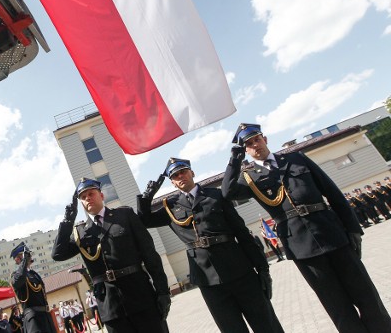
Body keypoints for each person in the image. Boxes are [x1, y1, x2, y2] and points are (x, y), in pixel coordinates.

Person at [222, 123, 391, 332]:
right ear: (245, 149)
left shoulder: (296, 159)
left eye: (257, 139)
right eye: (248, 144)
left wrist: (353, 228)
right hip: (302, 246)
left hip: (332, 233)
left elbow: (332, 192)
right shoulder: (248, 178)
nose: (255, 145)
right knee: (336, 305)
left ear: (265, 139)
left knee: (366, 294)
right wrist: (235, 158)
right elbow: (227, 193)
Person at [138, 158, 284, 333]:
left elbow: (242, 233)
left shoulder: (215, 195)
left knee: (265, 322)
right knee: (231, 328)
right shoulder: (170, 206)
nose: (180, 177)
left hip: (239, 269)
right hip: (207, 278)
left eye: (183, 172)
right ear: (172, 182)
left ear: (192, 172)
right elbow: (144, 221)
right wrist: (146, 197)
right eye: (175, 176)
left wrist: (262, 268)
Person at [52, 178, 171, 333]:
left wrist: (162, 291)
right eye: (83, 197)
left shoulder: (124, 215)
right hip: (110, 306)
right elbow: (58, 254)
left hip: (141, 296)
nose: (88, 198)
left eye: (91, 193)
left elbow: (150, 255)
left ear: (101, 196)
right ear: (81, 203)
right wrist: (67, 221)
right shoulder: (79, 232)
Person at [9, 242, 56, 333]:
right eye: (26, 255)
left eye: (29, 254)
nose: (29, 256)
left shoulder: (34, 274)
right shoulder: (15, 275)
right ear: (18, 260)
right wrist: (24, 262)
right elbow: (19, 280)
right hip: (33, 319)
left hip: (45, 316)